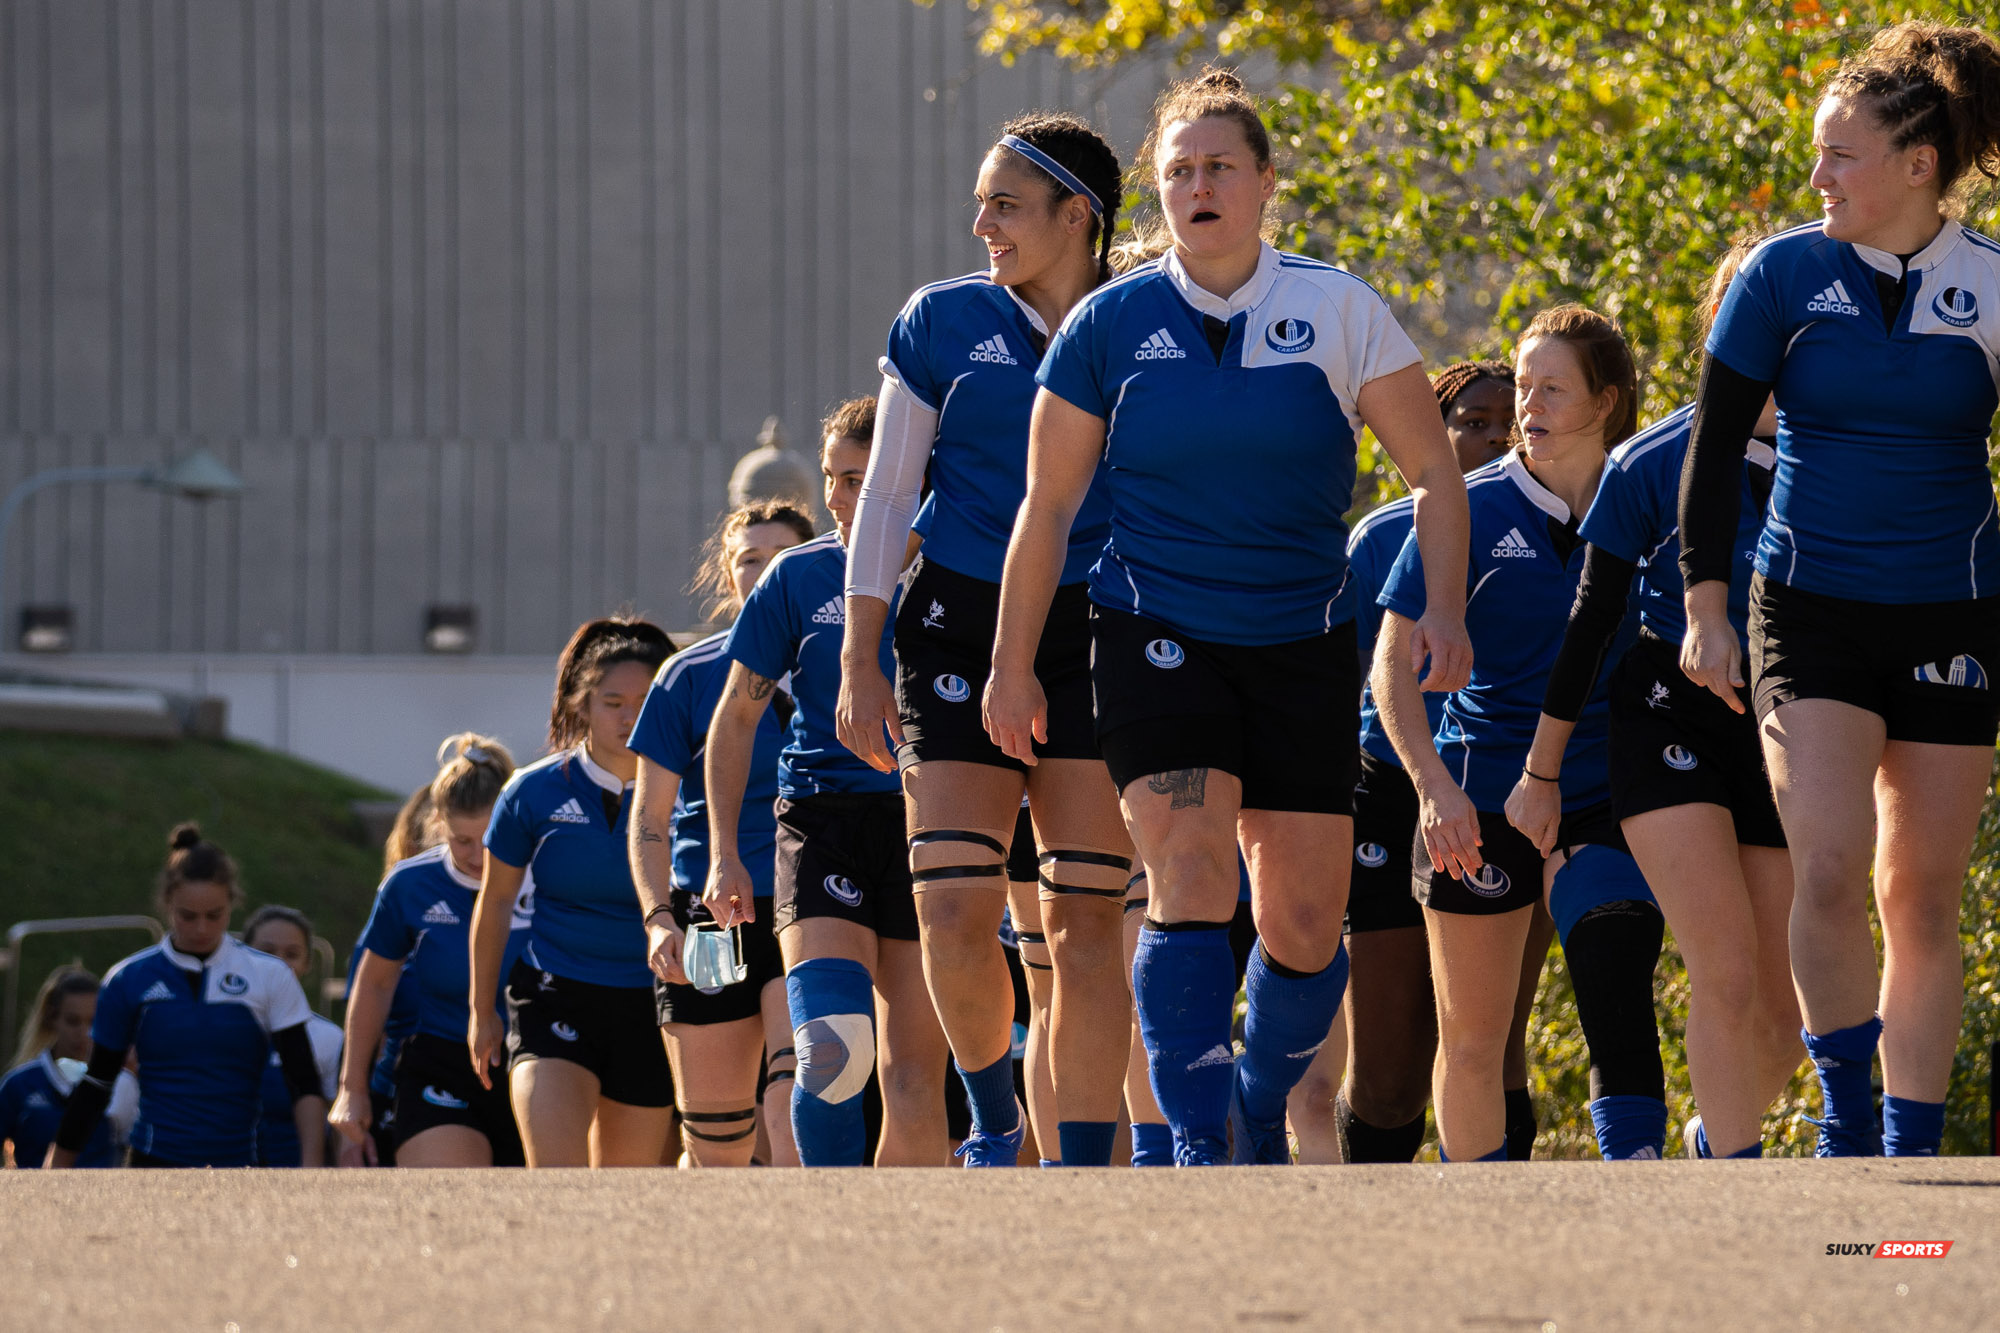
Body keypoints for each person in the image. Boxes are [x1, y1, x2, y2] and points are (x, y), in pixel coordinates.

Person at [987, 68, 1472, 1166]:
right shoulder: (1106, 324)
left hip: (1301, 641)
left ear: (1261, 184)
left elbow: (1436, 476)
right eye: (1176, 171)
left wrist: (1442, 606)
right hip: (1154, 630)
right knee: (1190, 873)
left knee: (1303, 926)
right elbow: (1047, 504)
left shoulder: (1337, 308)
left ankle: (1254, 1092)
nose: (1196, 187)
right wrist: (1012, 663)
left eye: (1217, 168)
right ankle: (1197, 1141)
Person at [1678, 21, 2000, 1158]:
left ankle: (1914, 1140)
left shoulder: (1988, 286)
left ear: (1917, 165)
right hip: (1804, 605)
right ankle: (1846, 1124)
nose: (1815, 179)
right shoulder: (1778, 273)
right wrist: (1704, 608)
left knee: (1916, 890)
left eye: (1839, 156)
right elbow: (1711, 449)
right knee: (1822, 866)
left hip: (1951, 611)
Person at [840, 113, 1135, 1168]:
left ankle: (1084, 1165)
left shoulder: (1146, 317)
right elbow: (883, 496)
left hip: (1098, 623)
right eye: (980, 202)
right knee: (957, 911)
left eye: (1003, 204)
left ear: (1077, 216)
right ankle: (996, 1118)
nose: (980, 224)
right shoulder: (939, 320)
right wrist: (856, 656)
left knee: (1083, 927)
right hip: (954, 621)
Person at [1507, 245, 1802, 1161]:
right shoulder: (1653, 459)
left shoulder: (1838, 454)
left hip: (1788, 729)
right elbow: (1592, 621)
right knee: (1723, 965)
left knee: (1787, 1020)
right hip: (1667, 721)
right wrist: (1540, 773)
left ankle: (1717, 1141)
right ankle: (1734, 1190)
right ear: (1721, 332)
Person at [1378, 305, 1669, 1162]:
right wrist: (1433, 789)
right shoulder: (1465, 508)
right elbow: (1391, 669)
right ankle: (1483, 1218)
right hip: (1478, 795)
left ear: (1607, 401)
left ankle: (1639, 1185)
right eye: (1524, 383)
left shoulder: (1650, 497)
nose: (1526, 406)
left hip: (1607, 791)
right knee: (1473, 1036)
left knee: (1616, 969)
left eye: (1552, 388)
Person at [707, 396, 952, 1167]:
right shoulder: (797, 575)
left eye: (858, 479)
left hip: (930, 822)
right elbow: (734, 721)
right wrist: (723, 852)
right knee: (832, 1050)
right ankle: (831, 1231)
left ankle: (896, 1261)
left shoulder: (961, 562)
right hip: (821, 822)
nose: (840, 499)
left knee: (913, 1077)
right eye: (833, 479)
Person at [1339, 360, 1555, 1164]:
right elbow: (1347, 679)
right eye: (1472, 419)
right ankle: (1379, 1251)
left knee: (1491, 1039)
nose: (1495, 434)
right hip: (1390, 796)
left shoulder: (1556, 523)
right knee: (1390, 1069)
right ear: (1432, 432)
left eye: (1508, 419)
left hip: (1499, 795)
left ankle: (1497, 1231)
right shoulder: (1383, 537)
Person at [630, 501, 815, 1167]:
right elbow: (650, 816)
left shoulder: (842, 656)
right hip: (711, 914)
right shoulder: (687, 675)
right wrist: (657, 917)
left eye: (779, 557)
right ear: (726, 575)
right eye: (747, 559)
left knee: (797, 1094)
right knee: (716, 1139)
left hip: (814, 899)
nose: (762, 571)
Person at [468, 617, 677, 1167]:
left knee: (623, 1191)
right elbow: (492, 906)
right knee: (557, 1176)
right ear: (582, 705)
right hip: (554, 993)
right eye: (612, 702)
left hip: (655, 1002)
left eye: (644, 699)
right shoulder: (531, 793)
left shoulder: (695, 791)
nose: (630, 716)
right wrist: (480, 1010)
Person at [48, 826, 327, 1168]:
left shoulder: (268, 974)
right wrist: (57, 1166)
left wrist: (312, 1169)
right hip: (153, 1164)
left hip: (242, 1165)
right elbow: (97, 1080)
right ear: (167, 905)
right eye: (187, 916)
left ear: (232, 904)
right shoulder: (129, 978)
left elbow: (303, 1081)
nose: (201, 929)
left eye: (215, 915)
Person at [333, 735, 531, 1168]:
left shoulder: (547, 874)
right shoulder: (410, 884)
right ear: (438, 822)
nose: (478, 857)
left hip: (540, 1058)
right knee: (452, 1200)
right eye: (463, 841)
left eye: (490, 838)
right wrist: (352, 1088)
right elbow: (374, 983)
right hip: (443, 1061)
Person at [0, 968, 135, 1168]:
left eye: (93, 1021)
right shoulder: (19, 1085)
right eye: (73, 1021)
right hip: (35, 1197)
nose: (84, 1033)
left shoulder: (123, 1083)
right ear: (52, 1019)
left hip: (107, 1197)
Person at [242, 907, 344, 1167]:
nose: (279, 963)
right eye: (266, 952)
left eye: (292, 954)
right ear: (242, 956)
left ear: (307, 963)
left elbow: (340, 1129)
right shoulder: (219, 1027)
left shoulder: (329, 1038)